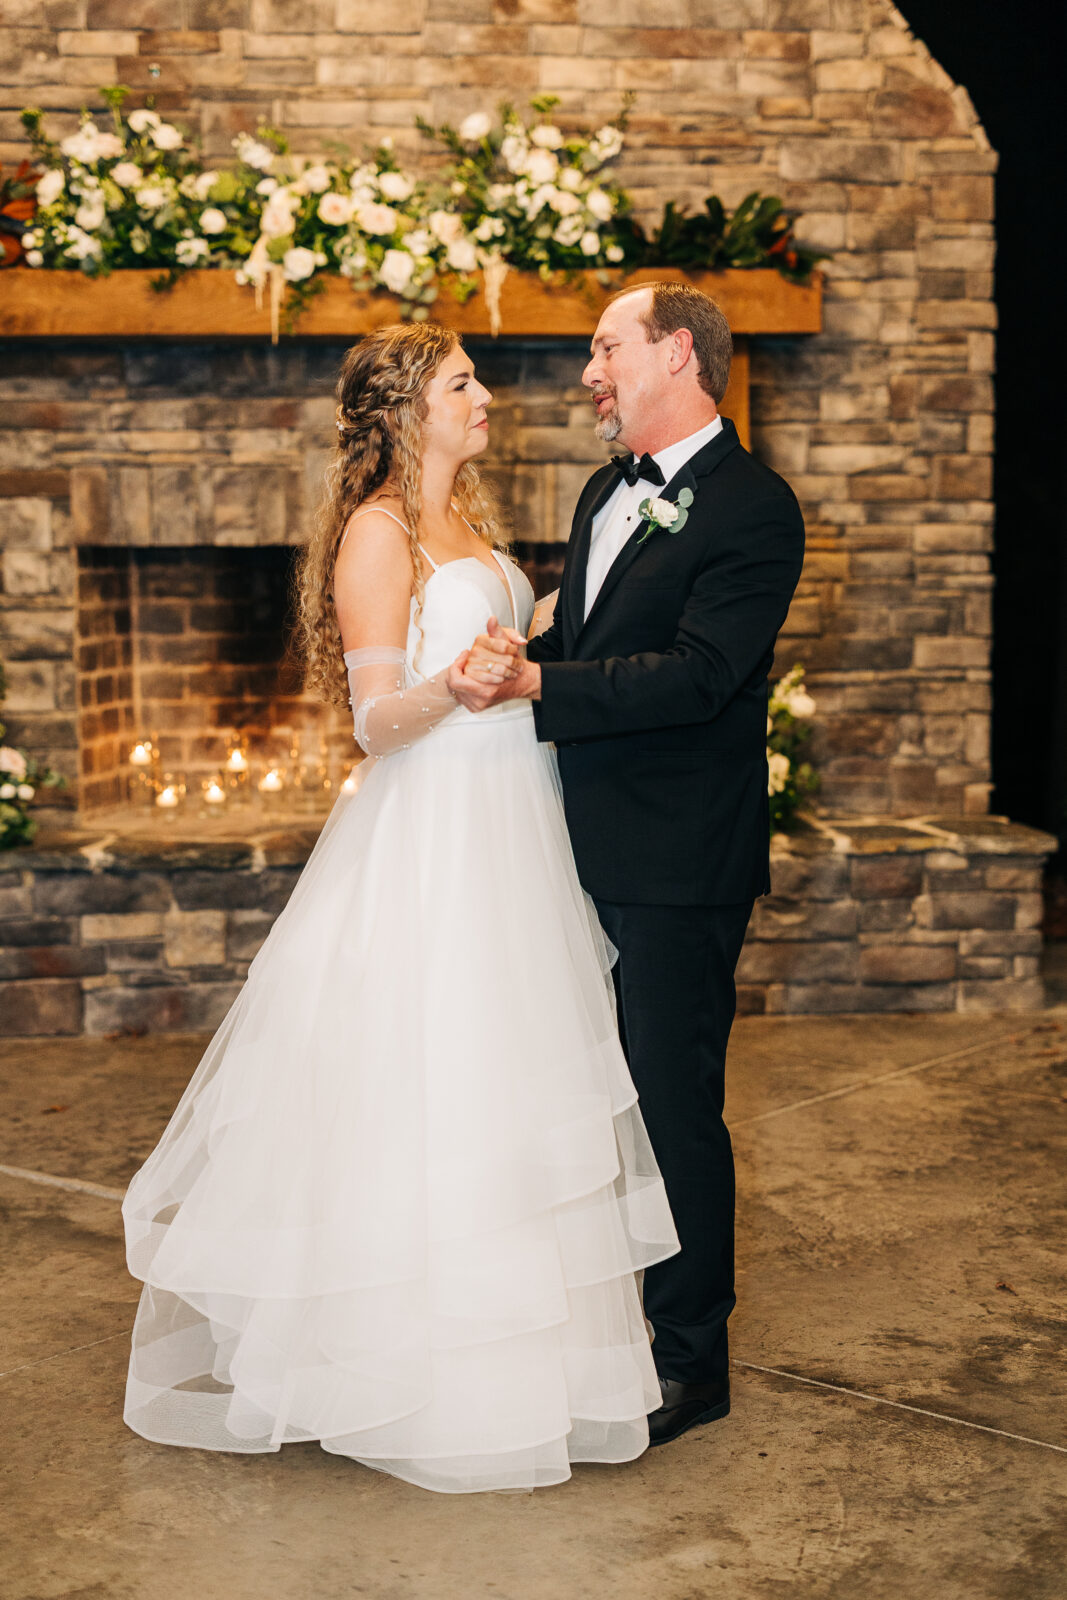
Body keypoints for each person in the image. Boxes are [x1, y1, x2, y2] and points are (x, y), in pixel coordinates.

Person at [120, 322, 680, 1496]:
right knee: (428, 1077)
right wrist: (454, 683)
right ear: (407, 407)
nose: (486, 396)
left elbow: (500, 643)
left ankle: (525, 1369)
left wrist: (549, 625)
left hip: (511, 814)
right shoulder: (376, 535)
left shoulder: (465, 520)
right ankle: (397, 1372)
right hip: (434, 830)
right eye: (463, 382)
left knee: (510, 1080)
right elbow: (376, 722)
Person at [463, 282, 806, 1446]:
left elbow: (701, 673)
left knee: (669, 1105)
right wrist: (528, 650)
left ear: (675, 354)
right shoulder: (604, 490)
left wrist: (541, 686)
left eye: (604, 349)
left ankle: (687, 1360)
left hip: (675, 861)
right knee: (588, 1097)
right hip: (570, 838)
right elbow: (597, 640)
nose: (585, 374)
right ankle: (600, 1317)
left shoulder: (755, 508)